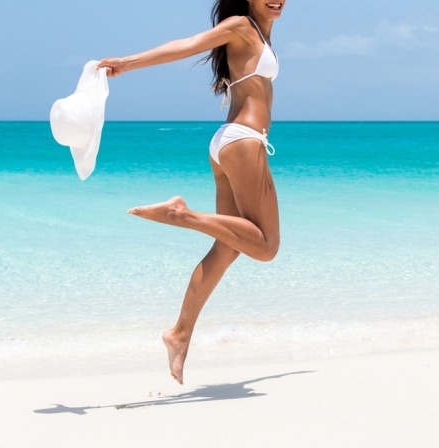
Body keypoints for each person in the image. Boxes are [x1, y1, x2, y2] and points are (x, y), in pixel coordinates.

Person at [97, 0, 286, 384]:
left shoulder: (260, 31)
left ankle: (179, 334)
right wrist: (127, 62)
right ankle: (181, 214)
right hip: (244, 141)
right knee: (266, 247)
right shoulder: (241, 25)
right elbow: (189, 44)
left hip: (228, 143)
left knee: (228, 246)